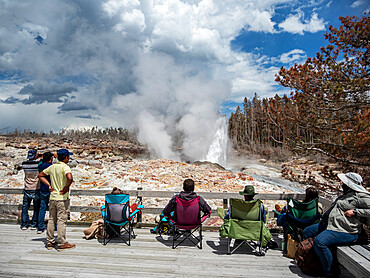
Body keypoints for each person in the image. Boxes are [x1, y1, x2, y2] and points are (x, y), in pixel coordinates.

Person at [303, 172, 370, 277]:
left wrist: (356, 212)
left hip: (345, 230)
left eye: (344, 182)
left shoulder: (361, 196)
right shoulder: (346, 194)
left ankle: (331, 272)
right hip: (331, 225)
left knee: (320, 242)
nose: (341, 183)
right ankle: (316, 263)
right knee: (307, 231)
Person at [38, 148, 76, 251]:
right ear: (66, 157)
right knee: (61, 221)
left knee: (51, 219)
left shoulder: (52, 167)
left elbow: (40, 175)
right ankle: (61, 243)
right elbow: (69, 177)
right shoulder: (65, 167)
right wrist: (66, 187)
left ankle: (50, 242)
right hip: (62, 198)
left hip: (52, 197)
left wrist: (49, 185)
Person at [225, 185, 278, 249]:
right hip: (254, 230)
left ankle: (239, 239)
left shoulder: (236, 205)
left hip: (238, 229)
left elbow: (227, 216)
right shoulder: (258, 205)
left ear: (244, 195)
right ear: (253, 195)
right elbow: (263, 219)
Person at [21, 149, 41, 230]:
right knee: (36, 208)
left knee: (25, 207)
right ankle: (34, 224)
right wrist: (39, 156)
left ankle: (24, 224)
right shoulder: (37, 164)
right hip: (36, 187)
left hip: (27, 187)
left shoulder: (24, 164)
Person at [37, 151, 54, 234]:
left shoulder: (40, 166)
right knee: (53, 209)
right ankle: (53, 226)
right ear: (50, 158)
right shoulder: (51, 167)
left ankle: (40, 227)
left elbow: (40, 162)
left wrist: (41, 157)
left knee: (42, 208)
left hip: (42, 188)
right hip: (51, 189)